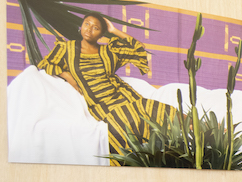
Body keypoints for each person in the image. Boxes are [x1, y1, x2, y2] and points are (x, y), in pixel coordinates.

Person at [36, 12, 176, 166]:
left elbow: (138, 48)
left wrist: (114, 30)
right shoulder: (67, 48)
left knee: (160, 111)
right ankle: (135, 163)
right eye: (87, 24)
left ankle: (182, 144)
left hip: (122, 94)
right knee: (122, 123)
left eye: (96, 28)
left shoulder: (108, 51)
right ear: (81, 26)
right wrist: (69, 77)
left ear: (101, 34)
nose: (89, 29)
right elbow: (47, 64)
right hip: (100, 103)